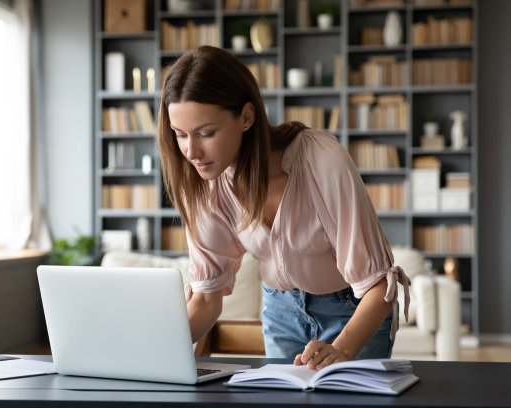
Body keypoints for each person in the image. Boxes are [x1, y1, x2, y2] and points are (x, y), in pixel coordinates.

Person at [157, 46, 410, 371]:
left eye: (206, 133)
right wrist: (150, 353)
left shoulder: (320, 160)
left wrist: (343, 350)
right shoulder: (207, 186)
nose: (191, 151)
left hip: (352, 311)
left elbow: (378, 286)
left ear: (246, 117)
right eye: (180, 135)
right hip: (280, 311)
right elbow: (207, 301)